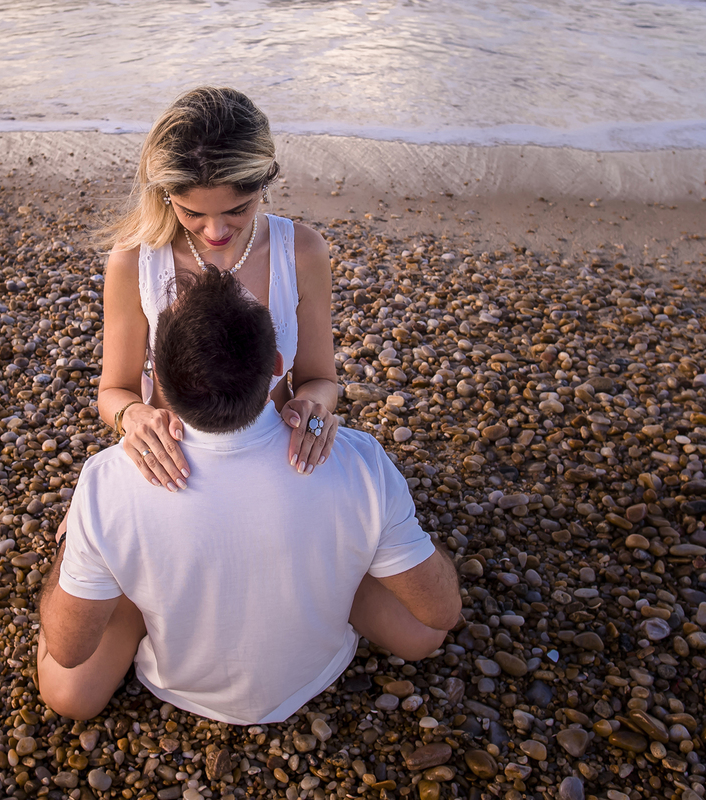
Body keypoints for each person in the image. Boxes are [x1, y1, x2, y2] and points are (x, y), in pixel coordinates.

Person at [37, 269, 462, 724]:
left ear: (156, 376)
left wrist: (76, 536)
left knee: (69, 690)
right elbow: (442, 612)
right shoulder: (355, 459)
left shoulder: (110, 481)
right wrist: (377, 532)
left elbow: (67, 647)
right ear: (278, 366)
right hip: (313, 673)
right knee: (421, 631)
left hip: (179, 680)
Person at [96, 85, 340, 491]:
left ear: (264, 181)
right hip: (173, 466)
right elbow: (114, 390)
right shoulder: (134, 259)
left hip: (277, 456)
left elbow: (321, 378)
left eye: (237, 210)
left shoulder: (301, 252)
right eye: (192, 212)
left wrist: (314, 409)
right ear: (166, 194)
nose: (216, 231)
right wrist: (132, 417)